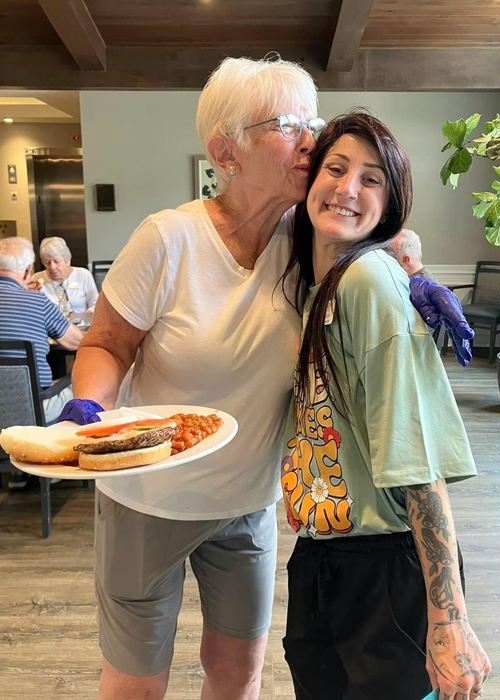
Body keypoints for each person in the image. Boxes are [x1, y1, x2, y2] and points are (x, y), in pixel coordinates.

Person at [56, 57, 473, 700]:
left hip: (246, 504)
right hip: (149, 499)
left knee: (239, 673)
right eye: (287, 124)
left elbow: (367, 239)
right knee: (136, 682)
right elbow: (108, 343)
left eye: (313, 119)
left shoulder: (302, 234)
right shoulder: (167, 239)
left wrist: (412, 281)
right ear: (226, 150)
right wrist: (89, 403)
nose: (311, 137)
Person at [280, 112, 490, 700]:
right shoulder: (312, 285)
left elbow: (418, 463)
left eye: (372, 180)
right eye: (336, 168)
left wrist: (449, 619)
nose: (348, 189)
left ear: (391, 204)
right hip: (321, 556)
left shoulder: (368, 282)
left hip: (388, 568)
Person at [0, 237, 83, 487]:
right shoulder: (36, 301)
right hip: (30, 410)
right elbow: (75, 342)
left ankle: (17, 471)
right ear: (28, 270)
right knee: (77, 383)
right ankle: (49, 462)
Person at [32, 236, 99, 314]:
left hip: (81, 324)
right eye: (47, 263)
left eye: (56, 261)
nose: (52, 267)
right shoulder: (37, 279)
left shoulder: (83, 275)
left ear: (67, 260)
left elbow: (96, 305)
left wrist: (82, 317)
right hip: (50, 325)